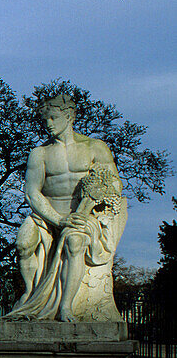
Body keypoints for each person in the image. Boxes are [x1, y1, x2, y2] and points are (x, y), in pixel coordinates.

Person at [7, 95, 125, 322]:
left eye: (53, 117)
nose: (48, 124)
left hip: (82, 216)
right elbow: (32, 193)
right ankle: (30, 293)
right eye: (45, 120)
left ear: (69, 116)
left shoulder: (95, 147)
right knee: (23, 244)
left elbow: (114, 184)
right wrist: (57, 219)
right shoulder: (39, 153)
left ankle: (66, 306)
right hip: (47, 216)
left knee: (75, 242)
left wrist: (94, 202)